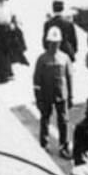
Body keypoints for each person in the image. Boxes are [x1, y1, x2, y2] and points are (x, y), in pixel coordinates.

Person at [33, 27, 74, 158]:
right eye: (52, 42)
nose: (54, 45)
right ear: (48, 42)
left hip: (61, 95)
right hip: (46, 95)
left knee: (64, 121)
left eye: (56, 43)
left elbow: (69, 78)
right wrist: (38, 98)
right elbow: (36, 81)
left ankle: (64, 146)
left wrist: (71, 96)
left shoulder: (65, 58)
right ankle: (44, 145)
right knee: (45, 119)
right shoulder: (42, 59)